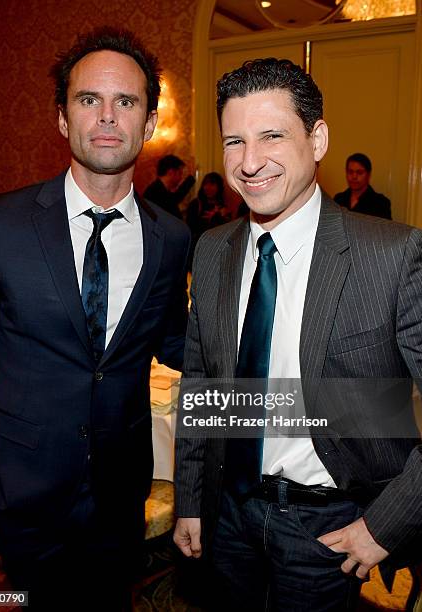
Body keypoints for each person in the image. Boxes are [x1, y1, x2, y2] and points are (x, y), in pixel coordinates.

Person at [173, 57, 422, 611]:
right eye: (234, 141)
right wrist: (191, 499)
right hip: (228, 513)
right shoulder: (213, 250)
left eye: (271, 136)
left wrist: (384, 526)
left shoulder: (393, 255)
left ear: (318, 138)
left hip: (330, 526)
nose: (250, 162)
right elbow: (202, 382)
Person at [0, 27, 190, 610]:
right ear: (63, 118)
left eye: (127, 102)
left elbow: (179, 346)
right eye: (90, 100)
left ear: (149, 120)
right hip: (23, 493)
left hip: (119, 493)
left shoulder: (173, 239)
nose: (108, 117)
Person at [186, 172, 231, 264]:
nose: (207, 187)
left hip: (218, 253)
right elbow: (190, 229)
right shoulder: (196, 204)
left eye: (212, 184)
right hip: (199, 251)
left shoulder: (223, 206)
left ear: (219, 187)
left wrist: (220, 217)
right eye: (205, 184)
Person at [334, 152, 392, 219]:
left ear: (368, 175)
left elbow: (384, 229)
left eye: (359, 172)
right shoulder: (338, 199)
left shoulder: (381, 203)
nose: (354, 176)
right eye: (350, 172)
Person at [143, 154, 195, 218]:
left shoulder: (159, 189)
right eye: (180, 173)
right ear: (171, 172)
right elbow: (173, 200)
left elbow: (174, 198)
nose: (181, 177)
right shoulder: (155, 191)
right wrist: (190, 178)